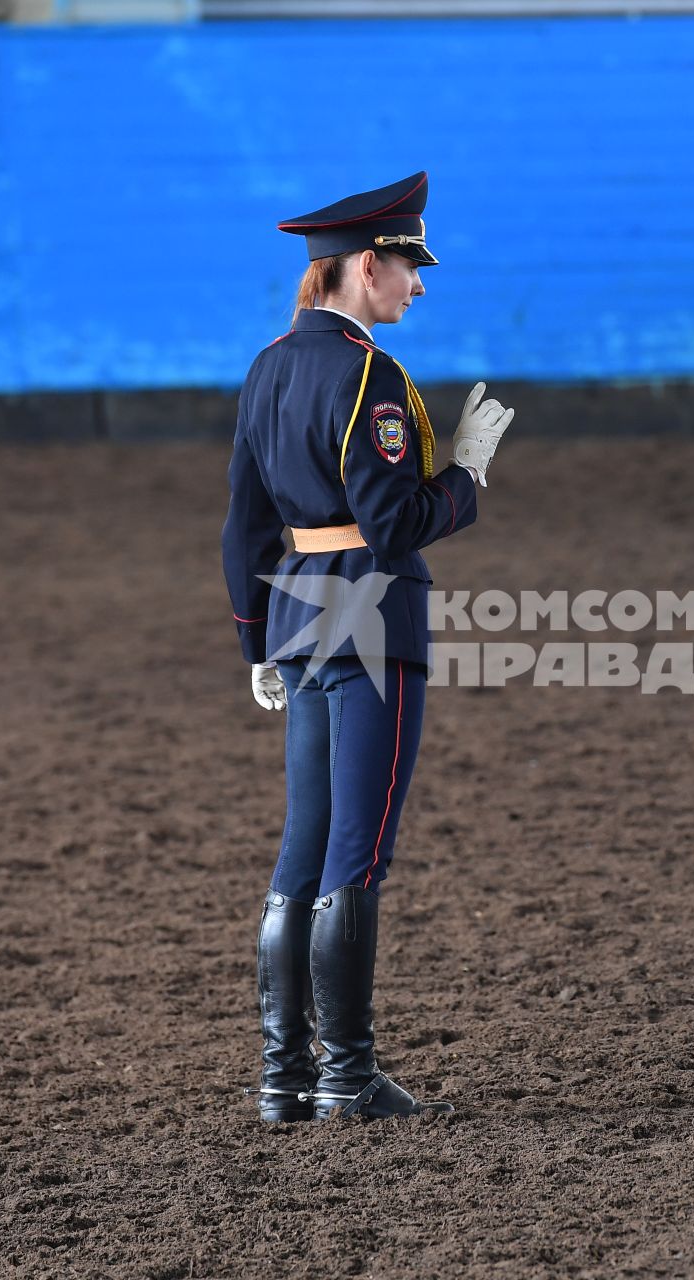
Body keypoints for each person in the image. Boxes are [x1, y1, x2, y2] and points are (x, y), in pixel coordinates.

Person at [221, 171, 513, 1122]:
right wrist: (463, 476)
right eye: (407, 266)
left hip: (299, 614)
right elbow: (393, 524)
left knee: (302, 850)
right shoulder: (370, 376)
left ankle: (284, 1079)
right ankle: (348, 1077)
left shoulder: (268, 367)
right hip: (372, 614)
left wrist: (255, 641)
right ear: (362, 267)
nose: (416, 285)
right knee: (358, 851)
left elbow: (244, 526)